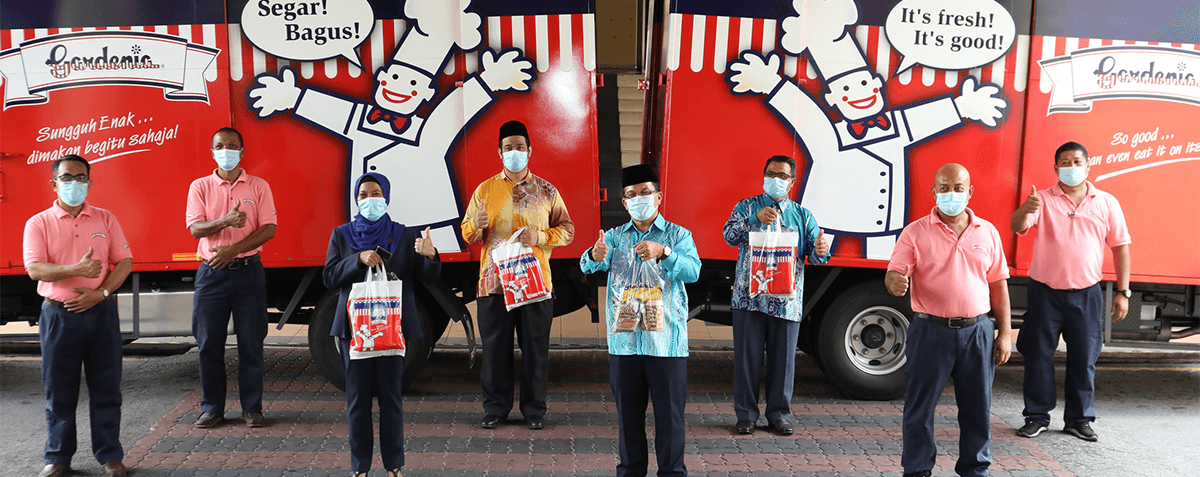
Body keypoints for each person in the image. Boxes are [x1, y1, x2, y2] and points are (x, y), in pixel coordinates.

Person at [885, 163, 1012, 477]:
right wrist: (894, 282)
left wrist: (1004, 333)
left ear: (969, 192)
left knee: (977, 408)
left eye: (958, 188)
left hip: (978, 331)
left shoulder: (988, 232)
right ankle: (917, 468)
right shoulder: (915, 232)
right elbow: (894, 273)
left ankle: (975, 467)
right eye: (944, 188)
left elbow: (998, 285)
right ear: (934, 192)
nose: (951, 194)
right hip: (930, 330)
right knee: (919, 408)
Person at [580, 164, 701, 477]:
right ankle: (631, 472)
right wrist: (594, 255)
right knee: (628, 419)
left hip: (667, 345)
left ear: (659, 196)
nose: (639, 199)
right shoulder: (615, 237)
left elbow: (693, 271)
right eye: (632, 195)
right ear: (623, 202)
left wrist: (665, 252)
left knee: (670, 418)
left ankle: (672, 473)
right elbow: (589, 263)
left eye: (646, 192)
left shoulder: (678, 234)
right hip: (626, 342)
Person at [1010, 142, 1131, 442]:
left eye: (1077, 161)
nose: (1072, 167)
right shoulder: (1043, 200)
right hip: (1045, 292)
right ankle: (1036, 417)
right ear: (1055, 168)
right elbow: (1018, 226)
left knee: (1084, 357)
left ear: (1088, 167)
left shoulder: (1105, 202)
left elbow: (1120, 247)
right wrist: (1025, 210)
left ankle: (1079, 420)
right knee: (1038, 355)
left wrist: (1123, 291)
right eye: (1065, 162)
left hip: (1087, 294)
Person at [323, 173, 441, 477]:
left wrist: (431, 256)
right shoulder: (342, 234)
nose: (369, 199)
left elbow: (427, 277)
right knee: (358, 401)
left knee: (391, 400)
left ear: (386, 198)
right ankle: (360, 467)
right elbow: (329, 278)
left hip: (392, 330)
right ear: (356, 198)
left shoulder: (403, 235)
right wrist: (357, 259)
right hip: (354, 331)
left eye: (376, 193)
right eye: (363, 194)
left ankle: (394, 466)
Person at [461, 120, 574, 430]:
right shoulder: (485, 190)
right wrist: (478, 224)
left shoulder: (546, 191)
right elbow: (467, 234)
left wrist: (539, 237)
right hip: (494, 284)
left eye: (520, 148)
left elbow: (567, 230)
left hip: (534, 284)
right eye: (508, 148)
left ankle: (534, 411)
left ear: (530, 151)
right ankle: (495, 408)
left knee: (536, 352)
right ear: (499, 152)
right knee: (495, 352)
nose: (515, 153)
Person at [24, 155, 132, 477]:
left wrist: (101, 294)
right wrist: (76, 270)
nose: (75, 183)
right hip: (59, 317)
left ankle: (110, 455)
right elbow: (35, 269)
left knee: (107, 387)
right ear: (54, 184)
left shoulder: (105, 219)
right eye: (67, 178)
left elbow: (124, 261)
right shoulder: (38, 223)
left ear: (89, 182)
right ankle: (58, 457)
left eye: (81, 177)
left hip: (101, 314)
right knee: (59, 390)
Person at [722, 155, 829, 435]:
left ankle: (779, 414)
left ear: (791, 182)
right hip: (749, 298)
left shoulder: (802, 216)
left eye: (782, 176)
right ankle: (746, 414)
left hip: (786, 302)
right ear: (763, 175)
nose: (775, 180)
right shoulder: (747, 206)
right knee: (747, 360)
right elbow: (729, 236)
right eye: (771, 174)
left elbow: (817, 256)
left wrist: (820, 250)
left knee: (783, 362)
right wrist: (753, 220)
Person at [186, 127, 277, 428]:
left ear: (242, 150)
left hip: (248, 271)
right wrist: (226, 221)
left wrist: (233, 249)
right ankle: (212, 408)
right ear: (212, 152)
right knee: (209, 342)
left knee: (251, 343)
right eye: (220, 146)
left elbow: (269, 228)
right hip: (211, 274)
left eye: (233, 145)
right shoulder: (199, 186)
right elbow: (195, 229)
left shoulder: (258, 186)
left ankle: (252, 408)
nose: (227, 151)